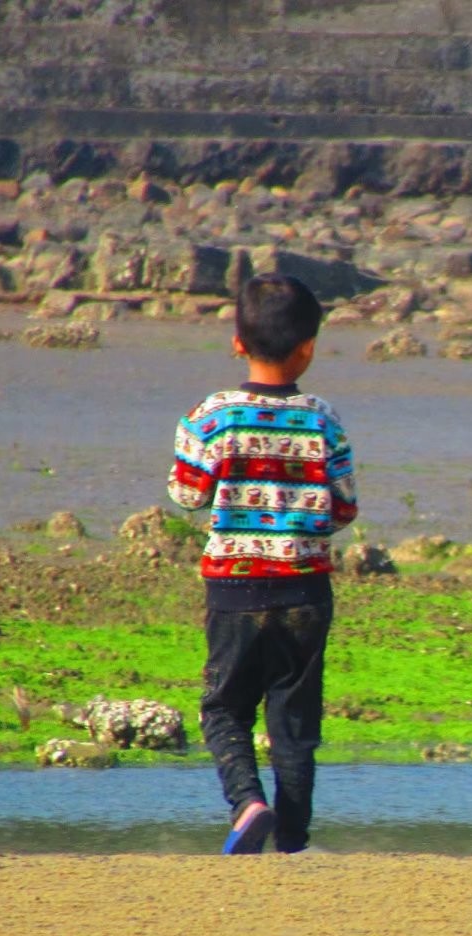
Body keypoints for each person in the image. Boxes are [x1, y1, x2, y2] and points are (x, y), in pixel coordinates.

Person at [167, 273, 358, 855]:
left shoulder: (214, 414)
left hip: (234, 589)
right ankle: (293, 840)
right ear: (309, 348)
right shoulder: (323, 418)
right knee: (294, 722)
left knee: (224, 707)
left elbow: (187, 493)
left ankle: (248, 802)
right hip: (306, 588)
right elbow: (344, 508)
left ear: (237, 343)